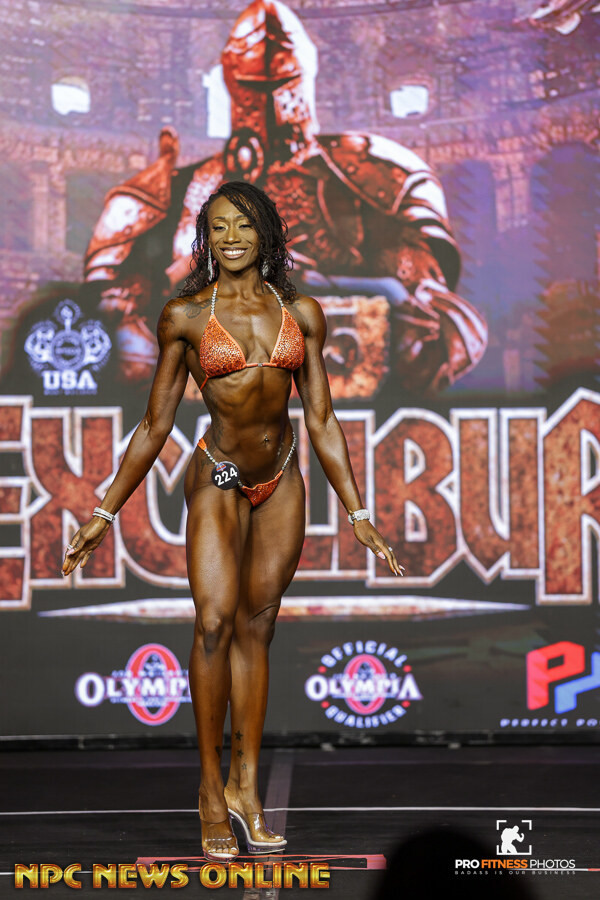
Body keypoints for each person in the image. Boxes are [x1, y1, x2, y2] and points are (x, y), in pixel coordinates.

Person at [62, 181, 404, 862]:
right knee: (215, 623)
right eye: (219, 227)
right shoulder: (187, 316)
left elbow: (322, 418)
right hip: (217, 476)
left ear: (265, 232)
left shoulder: (301, 313)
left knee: (257, 628)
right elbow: (155, 424)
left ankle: (247, 788)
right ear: (206, 238)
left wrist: (358, 511)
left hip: (280, 478)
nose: (232, 238)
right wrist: (104, 511)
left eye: (243, 225)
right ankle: (210, 793)